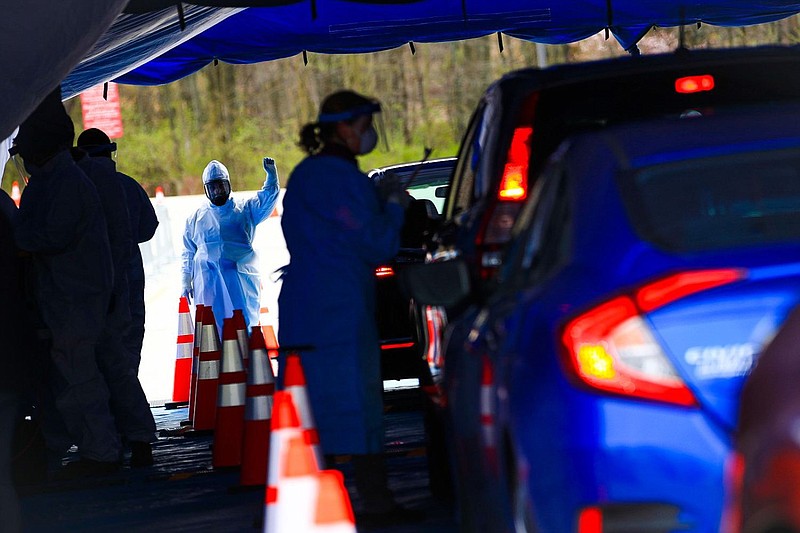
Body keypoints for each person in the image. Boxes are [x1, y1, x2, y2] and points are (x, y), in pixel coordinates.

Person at [277, 89, 419, 526]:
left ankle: (308, 502)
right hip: (340, 311)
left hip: (306, 309)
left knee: (311, 412)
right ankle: (375, 503)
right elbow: (376, 244)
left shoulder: (305, 175)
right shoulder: (342, 179)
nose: (368, 134)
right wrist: (395, 207)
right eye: (363, 125)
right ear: (343, 127)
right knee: (358, 406)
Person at [12, 88, 122, 476]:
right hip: (68, 296)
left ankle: (101, 453)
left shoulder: (65, 183)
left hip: (77, 297)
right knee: (68, 377)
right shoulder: (52, 180)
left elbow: (51, 235)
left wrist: (16, 241)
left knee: (79, 377)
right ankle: (70, 447)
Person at [71, 141, 157, 468]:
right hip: (129, 281)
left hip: (95, 288)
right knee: (126, 356)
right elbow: (148, 229)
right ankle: (131, 434)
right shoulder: (127, 185)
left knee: (100, 365)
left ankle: (116, 435)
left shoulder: (80, 184)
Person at [76, 128, 159, 373]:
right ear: (109, 154)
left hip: (86, 277)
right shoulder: (127, 185)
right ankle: (127, 386)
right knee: (129, 337)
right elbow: (148, 228)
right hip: (129, 272)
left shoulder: (73, 188)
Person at [181, 157, 280, 334]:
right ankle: (215, 362)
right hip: (208, 284)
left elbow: (267, 199)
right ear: (206, 190)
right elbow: (188, 252)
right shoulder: (196, 218)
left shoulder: (244, 209)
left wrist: (271, 177)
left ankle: (246, 359)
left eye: (221, 186)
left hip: (240, 281)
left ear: (228, 185)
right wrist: (185, 279)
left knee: (243, 325)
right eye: (213, 187)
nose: (218, 191)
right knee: (212, 331)